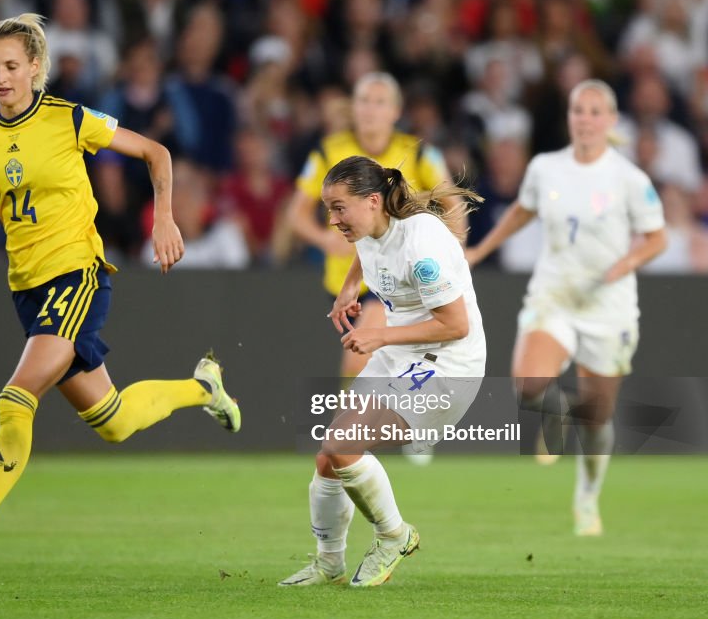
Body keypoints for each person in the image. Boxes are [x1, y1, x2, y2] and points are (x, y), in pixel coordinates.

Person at [0, 14, 240, 567]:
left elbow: (156, 153)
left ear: (36, 68)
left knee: (16, 396)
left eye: (12, 66)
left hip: (77, 275)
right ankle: (203, 388)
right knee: (112, 421)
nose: (0, 77)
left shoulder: (69, 119)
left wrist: (164, 218)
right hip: (28, 289)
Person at [466, 80, 667, 536]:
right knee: (529, 384)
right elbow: (522, 210)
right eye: (579, 110)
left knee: (597, 415)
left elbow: (658, 238)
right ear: (570, 117)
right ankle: (555, 415)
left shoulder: (629, 179)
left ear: (611, 121)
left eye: (597, 111)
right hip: (554, 295)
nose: (586, 119)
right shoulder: (546, 168)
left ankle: (588, 496)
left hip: (607, 305)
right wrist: (481, 250)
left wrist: (627, 263)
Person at [279, 155, 484, 588]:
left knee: (343, 444)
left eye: (338, 208)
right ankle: (329, 563)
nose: (331, 219)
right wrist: (350, 285)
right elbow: (367, 247)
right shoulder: (373, 224)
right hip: (405, 354)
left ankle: (394, 536)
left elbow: (456, 324)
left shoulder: (422, 244)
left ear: (373, 200)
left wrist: (380, 337)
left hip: (448, 363)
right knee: (328, 458)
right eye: (327, 209)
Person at [288, 72, 458, 465]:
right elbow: (296, 213)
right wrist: (322, 237)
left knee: (362, 350)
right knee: (382, 356)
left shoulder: (416, 153)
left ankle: (351, 440)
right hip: (346, 278)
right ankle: (401, 424)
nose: (371, 110)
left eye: (380, 102)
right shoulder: (328, 151)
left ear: (396, 111)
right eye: (364, 101)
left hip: (401, 276)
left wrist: (453, 250)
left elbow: (454, 202)